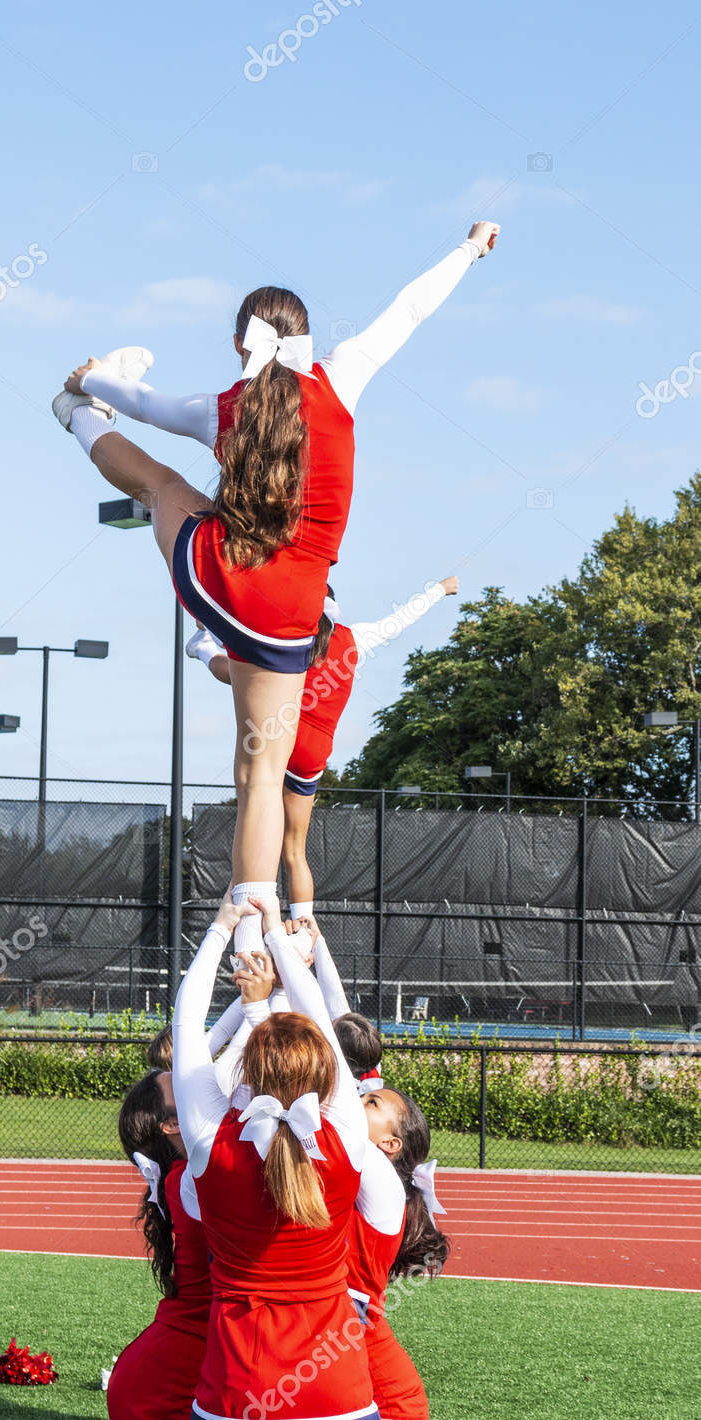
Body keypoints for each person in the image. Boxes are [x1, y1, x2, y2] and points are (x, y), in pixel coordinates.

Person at [54, 222, 499, 960]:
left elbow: (149, 403)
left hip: (217, 578)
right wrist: (467, 247)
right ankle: (251, 934)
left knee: (163, 483)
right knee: (260, 776)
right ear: (308, 338)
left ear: (241, 345)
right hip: (287, 620)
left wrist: (92, 380)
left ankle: (71, 419)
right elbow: (411, 309)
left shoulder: (220, 407)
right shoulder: (343, 373)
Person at [170, 888, 380, 1420]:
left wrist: (226, 926)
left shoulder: (209, 1141)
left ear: (251, 1071)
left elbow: (185, 1028)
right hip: (333, 1370)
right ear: (327, 1073)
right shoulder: (346, 1135)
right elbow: (320, 1015)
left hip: (240, 1374)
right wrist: (291, 947)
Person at [187, 574, 459, 919]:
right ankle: (304, 928)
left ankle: (249, 927)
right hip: (312, 754)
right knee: (293, 852)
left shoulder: (285, 631)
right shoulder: (354, 638)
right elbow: (401, 619)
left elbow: (242, 629)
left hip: (276, 738)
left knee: (257, 834)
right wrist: (439, 589)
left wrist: (207, 622)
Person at [108, 1067, 210, 1420]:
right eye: (184, 1089)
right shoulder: (193, 1176)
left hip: (187, 1374)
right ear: (172, 1125)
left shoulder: (198, 1167)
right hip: (156, 1396)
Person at [354, 1085, 450, 1420]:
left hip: (389, 1405)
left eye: (372, 1103)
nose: (357, 1100)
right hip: (360, 1399)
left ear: (390, 1145)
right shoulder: (352, 1173)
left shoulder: (381, 1183)